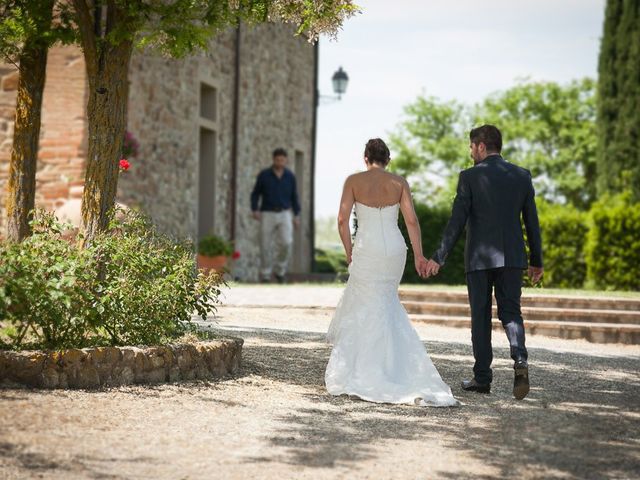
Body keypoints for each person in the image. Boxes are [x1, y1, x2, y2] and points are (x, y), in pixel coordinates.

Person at [325, 138, 458, 407]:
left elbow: (342, 219)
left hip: (367, 248)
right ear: (388, 159)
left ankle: (366, 368)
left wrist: (349, 251)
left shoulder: (353, 180)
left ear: (365, 158)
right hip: (394, 250)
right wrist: (419, 255)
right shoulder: (399, 182)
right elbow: (411, 220)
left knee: (366, 303)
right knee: (386, 303)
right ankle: (394, 367)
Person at [424, 124, 543, 400]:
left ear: (480, 146)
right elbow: (532, 223)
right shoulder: (522, 176)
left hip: (478, 260)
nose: (470, 152)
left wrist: (438, 257)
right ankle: (520, 361)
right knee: (511, 312)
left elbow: (457, 221)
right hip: (512, 257)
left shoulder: (469, 177)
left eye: (471, 147)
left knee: (480, 316)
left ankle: (482, 379)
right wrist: (537, 260)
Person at [250, 148, 301, 283]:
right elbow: (255, 193)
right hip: (267, 213)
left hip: (285, 213)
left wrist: (296, 215)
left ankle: (280, 271)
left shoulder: (290, 176)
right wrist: (254, 209)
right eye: (277, 160)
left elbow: (294, 196)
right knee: (265, 244)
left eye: (282, 160)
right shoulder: (264, 175)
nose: (280, 162)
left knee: (287, 242)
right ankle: (266, 274)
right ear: (273, 160)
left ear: (286, 160)